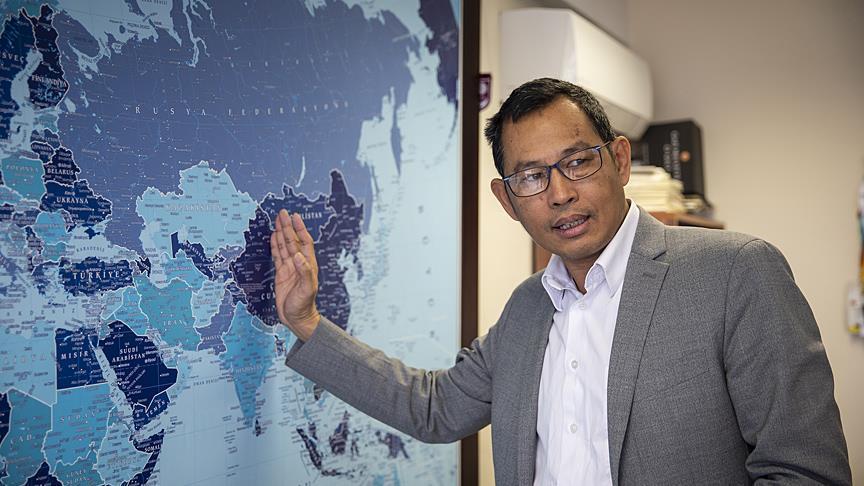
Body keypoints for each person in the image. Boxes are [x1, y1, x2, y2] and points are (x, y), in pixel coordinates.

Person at [269, 78, 851, 485]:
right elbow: (435, 408)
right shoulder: (528, 307)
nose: (560, 193)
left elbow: (804, 472)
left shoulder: (735, 273)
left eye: (578, 162)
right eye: (531, 176)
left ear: (619, 160)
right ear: (507, 200)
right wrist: (307, 323)